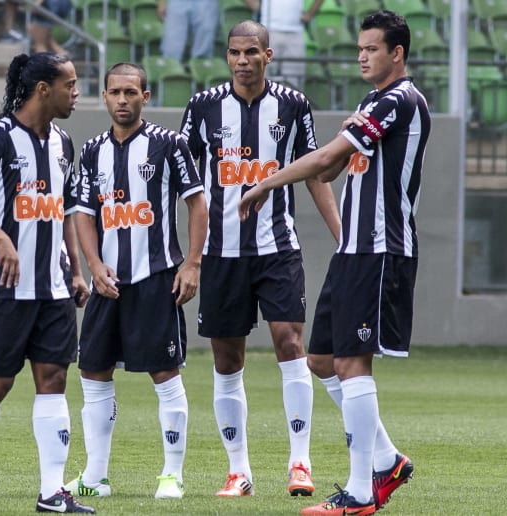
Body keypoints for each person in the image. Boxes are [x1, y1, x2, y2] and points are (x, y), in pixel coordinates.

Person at [238, 10, 428, 514]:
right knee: (320, 359)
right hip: (354, 250)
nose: (362, 55)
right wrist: (343, 137)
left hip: (380, 248)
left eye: (372, 49)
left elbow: (325, 162)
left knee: (350, 362)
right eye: (359, 48)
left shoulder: (399, 100)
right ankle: (387, 460)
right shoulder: (372, 102)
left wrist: (263, 183)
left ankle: (361, 492)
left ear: (397, 54)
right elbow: (340, 160)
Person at [180, 20, 341, 498]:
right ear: (227, 56)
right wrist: (187, 253)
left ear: (268, 56)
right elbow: (184, 180)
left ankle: (300, 463)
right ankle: (239, 471)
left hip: (278, 248)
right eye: (235, 52)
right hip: (221, 252)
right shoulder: (203, 107)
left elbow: (314, 172)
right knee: (227, 359)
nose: (243, 60)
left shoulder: (292, 106)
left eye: (252, 52)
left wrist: (341, 234)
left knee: (291, 344)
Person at [0, 52, 93, 513]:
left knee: (53, 378)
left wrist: (74, 269)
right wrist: (0, 239)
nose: (76, 92)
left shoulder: (64, 143)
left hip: (52, 289)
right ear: (43, 89)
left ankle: (52, 492)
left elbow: (65, 211)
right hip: (3, 288)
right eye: (69, 84)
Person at [63, 62, 207, 501]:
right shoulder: (91, 151)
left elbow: (198, 205)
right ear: (103, 97)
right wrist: (93, 264)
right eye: (114, 92)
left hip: (157, 277)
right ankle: (95, 476)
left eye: (130, 92)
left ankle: (172, 474)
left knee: (165, 373)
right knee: (92, 372)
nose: (122, 100)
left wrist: (192, 264)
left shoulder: (169, 145)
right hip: (109, 281)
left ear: (145, 96)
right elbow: (83, 213)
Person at [245, 0, 326, 88]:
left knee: (293, 86)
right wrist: (257, 6)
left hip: (295, 32)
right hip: (269, 30)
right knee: (262, 83)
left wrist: (310, 15)